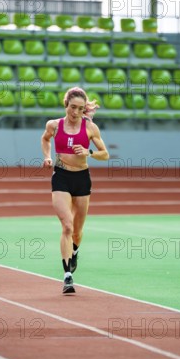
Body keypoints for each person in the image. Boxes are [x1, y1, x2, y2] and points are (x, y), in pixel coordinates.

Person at [41, 87, 109, 294]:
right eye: (72, 107)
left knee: (77, 232)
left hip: (81, 179)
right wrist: (47, 156)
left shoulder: (90, 128)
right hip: (61, 176)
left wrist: (88, 152)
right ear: (66, 105)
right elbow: (45, 139)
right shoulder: (54, 125)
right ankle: (67, 276)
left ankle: (75, 251)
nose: (75, 112)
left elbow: (105, 154)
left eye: (80, 109)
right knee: (67, 227)